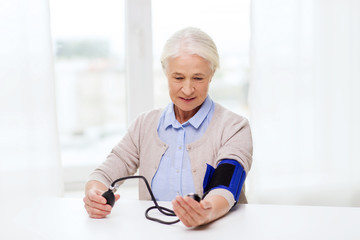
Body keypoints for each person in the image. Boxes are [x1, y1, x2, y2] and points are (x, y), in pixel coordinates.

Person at [83, 27, 253, 227]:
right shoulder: (144, 124)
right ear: (165, 73)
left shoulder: (234, 126)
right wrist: (94, 194)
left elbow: (226, 185)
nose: (188, 89)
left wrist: (205, 212)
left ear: (212, 74)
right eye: (178, 77)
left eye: (198, 78)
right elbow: (105, 174)